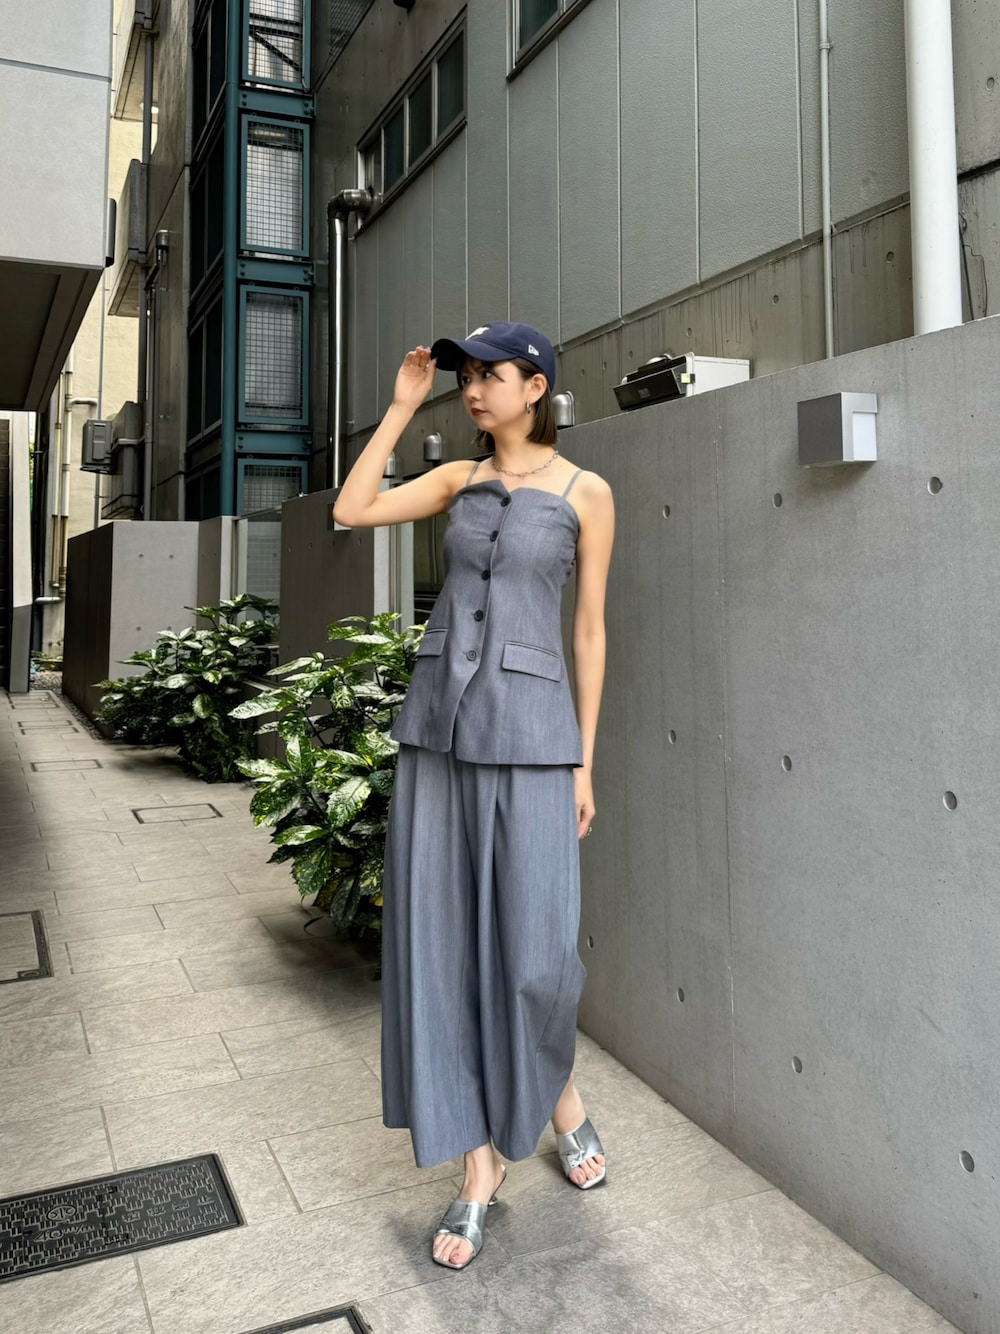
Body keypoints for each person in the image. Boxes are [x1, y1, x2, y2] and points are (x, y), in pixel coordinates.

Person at [332, 321, 615, 1270]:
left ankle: (558, 1096)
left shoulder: (585, 493)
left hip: (535, 742)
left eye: (490, 375)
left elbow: (589, 632)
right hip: (439, 737)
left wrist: (582, 761)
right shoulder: (457, 479)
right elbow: (352, 508)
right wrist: (400, 406)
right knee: (441, 948)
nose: (474, 389)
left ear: (535, 387)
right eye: (468, 378)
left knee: (537, 952)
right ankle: (478, 1165)